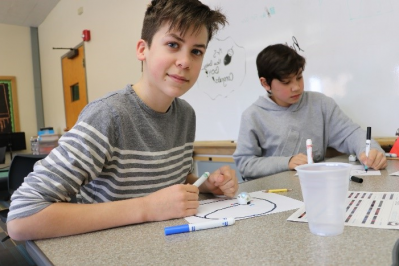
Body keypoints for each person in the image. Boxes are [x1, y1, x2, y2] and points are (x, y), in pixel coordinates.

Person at [7, 0, 238, 241]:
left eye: (196, 51)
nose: (185, 61)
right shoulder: (108, 115)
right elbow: (21, 219)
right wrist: (147, 208)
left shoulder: (186, 115)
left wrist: (205, 185)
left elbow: (168, 180)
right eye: (172, 44)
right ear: (142, 49)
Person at [233, 44, 387, 180]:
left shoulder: (321, 104)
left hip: (315, 187)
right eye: (286, 82)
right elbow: (245, 164)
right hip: (272, 193)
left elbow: (350, 134)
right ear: (265, 83)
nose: (296, 87)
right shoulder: (253, 116)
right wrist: (287, 162)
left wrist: (371, 152)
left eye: (299, 77)